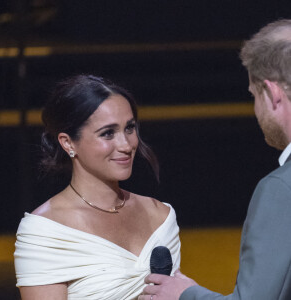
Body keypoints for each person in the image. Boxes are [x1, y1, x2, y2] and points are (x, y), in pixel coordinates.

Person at [139, 19, 291, 300]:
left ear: (272, 93)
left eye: (254, 95)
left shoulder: (282, 189)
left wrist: (185, 294)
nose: (256, 109)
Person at [14, 74, 181, 300]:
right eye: (108, 133)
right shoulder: (45, 232)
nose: (126, 144)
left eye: (129, 128)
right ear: (68, 143)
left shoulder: (160, 216)